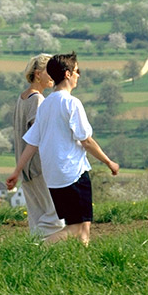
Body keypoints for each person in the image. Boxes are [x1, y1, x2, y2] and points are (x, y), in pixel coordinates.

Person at [6, 52, 119, 245]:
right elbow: (86, 141)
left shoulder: (45, 103)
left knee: (82, 227)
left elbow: (32, 142)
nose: (78, 75)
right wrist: (109, 162)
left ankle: (81, 261)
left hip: (54, 177)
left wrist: (17, 171)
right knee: (77, 227)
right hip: (73, 173)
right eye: (76, 71)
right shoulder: (71, 103)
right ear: (67, 74)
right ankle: (38, 247)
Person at [12, 54, 65, 241]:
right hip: (39, 166)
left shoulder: (22, 98)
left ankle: (34, 246)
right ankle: (44, 244)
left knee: (36, 213)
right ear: (37, 73)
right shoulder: (37, 100)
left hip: (24, 165)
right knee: (56, 214)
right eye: (48, 71)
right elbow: (39, 136)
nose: (52, 76)